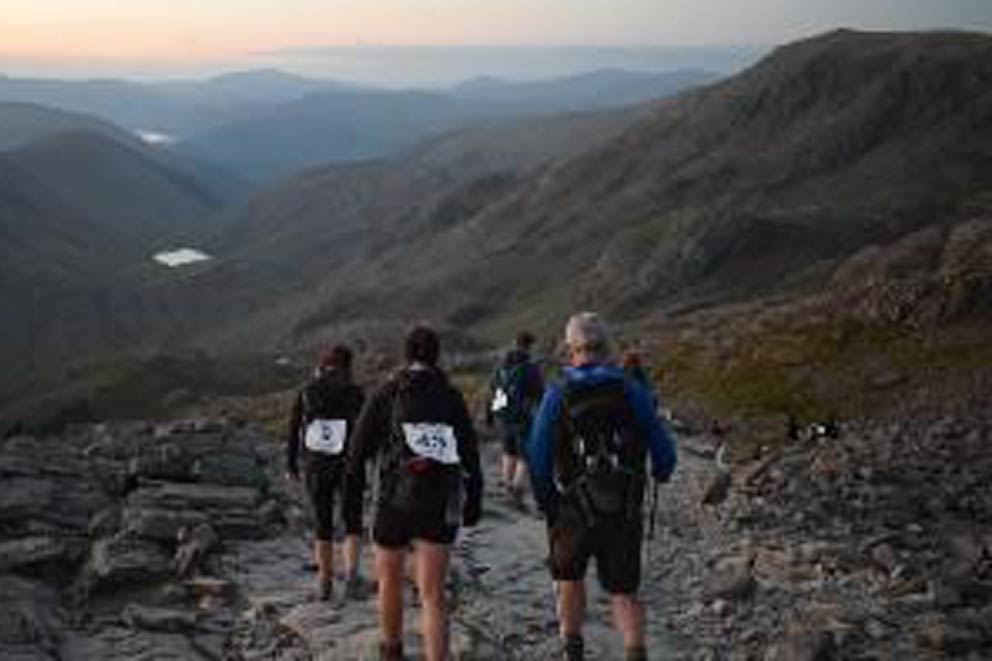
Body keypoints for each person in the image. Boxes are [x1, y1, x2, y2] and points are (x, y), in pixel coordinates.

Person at [526, 313, 677, 661]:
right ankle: (635, 652)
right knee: (624, 591)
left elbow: (537, 454)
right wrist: (662, 472)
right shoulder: (630, 389)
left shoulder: (557, 394)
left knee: (569, 578)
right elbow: (662, 447)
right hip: (623, 505)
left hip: (572, 506)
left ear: (570, 348)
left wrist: (547, 499)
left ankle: (573, 649)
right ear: (606, 346)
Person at [345, 324, 483, 661]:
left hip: (394, 500)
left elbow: (357, 452)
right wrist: (474, 500)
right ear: (437, 356)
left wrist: (351, 508)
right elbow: (470, 452)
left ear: (406, 355)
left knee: (389, 582)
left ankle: (392, 651)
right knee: (433, 595)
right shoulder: (450, 395)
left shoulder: (387, 393)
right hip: (438, 501)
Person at [286, 344, 366, 602]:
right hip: (349, 463)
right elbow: (366, 429)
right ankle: (352, 577)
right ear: (347, 366)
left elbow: (294, 429)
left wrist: (291, 464)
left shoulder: (307, 391)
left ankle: (325, 581)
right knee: (352, 519)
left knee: (322, 521)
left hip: (316, 463)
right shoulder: (355, 393)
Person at [486, 331, 544, 505]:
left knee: (508, 450)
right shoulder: (530, 368)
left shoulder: (502, 366)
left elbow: (492, 390)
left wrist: (489, 414)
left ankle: (507, 485)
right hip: (523, 417)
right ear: (529, 346)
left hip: (503, 416)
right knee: (525, 455)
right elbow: (539, 394)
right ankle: (516, 490)